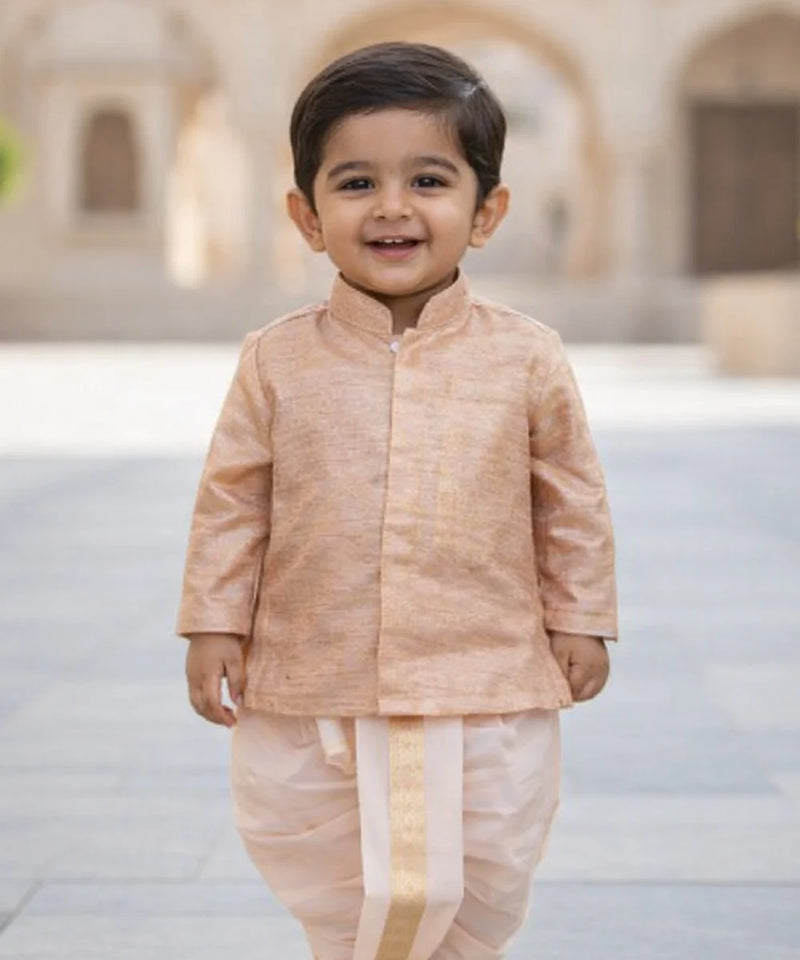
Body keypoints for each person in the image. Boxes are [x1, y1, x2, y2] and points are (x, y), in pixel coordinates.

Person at [177, 41, 617, 960]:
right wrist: (214, 620)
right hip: (317, 668)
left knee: (483, 859)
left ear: (485, 210)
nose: (391, 207)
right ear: (305, 215)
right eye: (355, 182)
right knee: (330, 862)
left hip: (483, 667)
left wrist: (580, 613)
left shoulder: (526, 356)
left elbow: (569, 497)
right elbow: (233, 500)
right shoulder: (275, 358)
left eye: (427, 179)